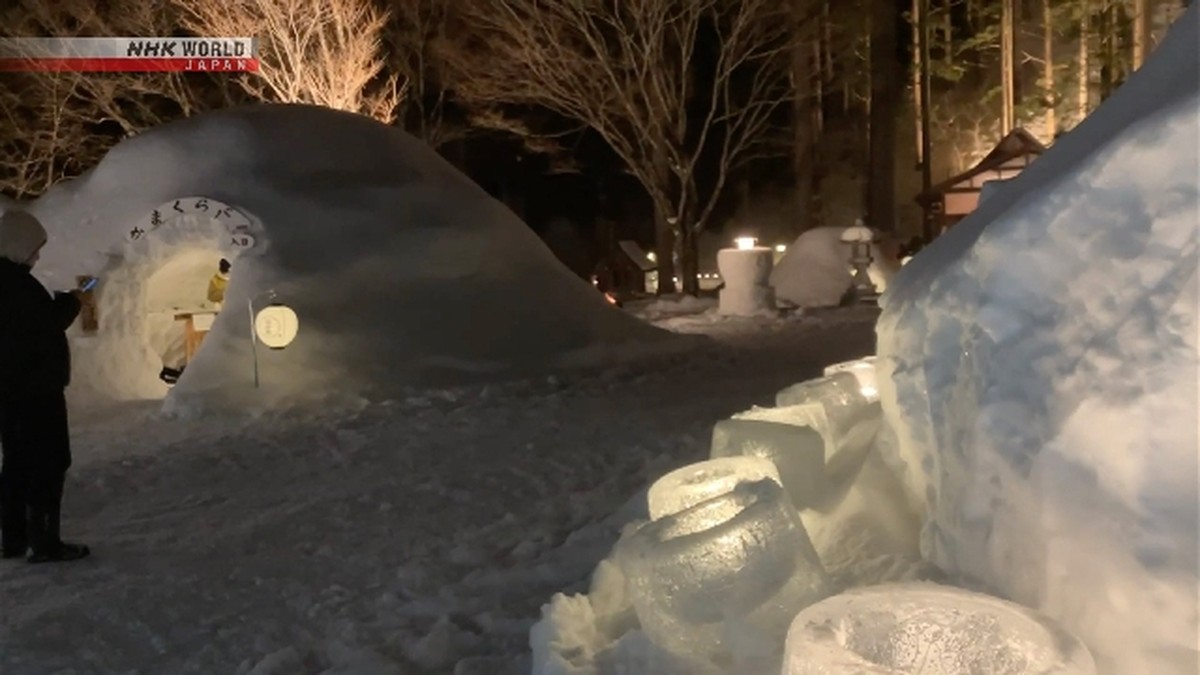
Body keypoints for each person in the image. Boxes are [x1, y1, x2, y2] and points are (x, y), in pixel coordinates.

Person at [0, 209, 90, 563]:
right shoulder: (15, 283)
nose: (37, 256)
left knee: (18, 461)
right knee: (50, 461)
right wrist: (69, 304)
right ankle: (45, 542)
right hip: (34, 390)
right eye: (34, 248)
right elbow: (42, 327)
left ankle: (14, 538)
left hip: (11, 389)